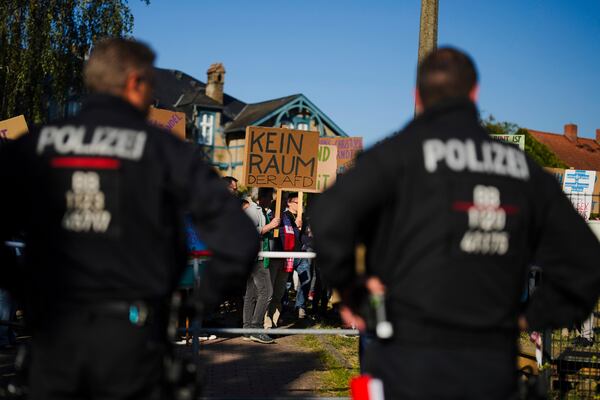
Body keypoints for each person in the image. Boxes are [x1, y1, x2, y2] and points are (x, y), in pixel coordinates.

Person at [311, 47, 600, 399]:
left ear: (418, 95)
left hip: (407, 360)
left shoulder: (398, 154)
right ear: (474, 94)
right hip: (489, 364)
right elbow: (586, 260)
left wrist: (354, 292)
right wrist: (530, 316)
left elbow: (328, 213)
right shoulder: (520, 169)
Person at [0, 38, 258, 400]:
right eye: (151, 84)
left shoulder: (34, 145)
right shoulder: (163, 149)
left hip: (54, 337)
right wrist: (195, 303)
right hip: (134, 342)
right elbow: (240, 237)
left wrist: (24, 289)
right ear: (135, 82)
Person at [242, 189, 280, 344]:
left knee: (251, 293)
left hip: (256, 256)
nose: (271, 201)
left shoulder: (261, 211)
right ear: (262, 198)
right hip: (256, 257)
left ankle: (247, 329)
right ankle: (256, 328)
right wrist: (270, 226)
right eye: (270, 198)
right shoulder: (252, 211)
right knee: (267, 292)